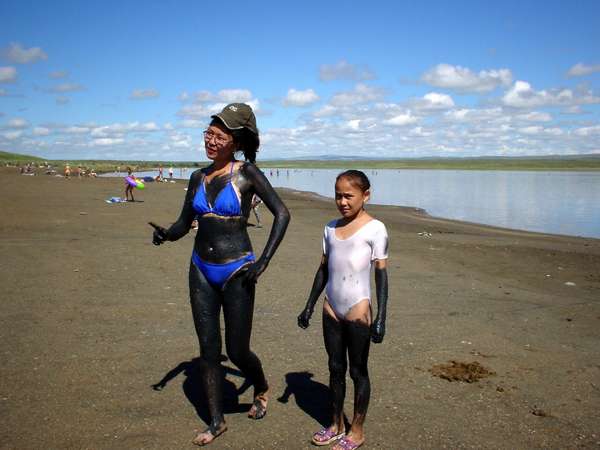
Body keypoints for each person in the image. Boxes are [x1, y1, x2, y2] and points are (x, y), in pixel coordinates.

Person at [150, 103, 290, 446]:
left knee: (238, 350)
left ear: (235, 141)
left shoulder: (248, 174)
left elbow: (282, 214)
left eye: (218, 136)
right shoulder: (197, 177)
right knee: (208, 348)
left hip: (238, 269)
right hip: (200, 268)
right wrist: (167, 234)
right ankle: (216, 421)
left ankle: (260, 385)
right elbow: (185, 223)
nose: (211, 141)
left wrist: (264, 261)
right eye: (208, 134)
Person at [297, 170, 389, 450]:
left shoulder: (376, 229)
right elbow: (323, 269)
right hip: (331, 307)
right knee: (335, 368)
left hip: (357, 309)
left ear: (366, 195)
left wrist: (381, 317)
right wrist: (309, 305)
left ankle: (357, 431)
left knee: (358, 370)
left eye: (349, 196)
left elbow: (381, 276)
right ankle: (336, 424)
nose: (342, 202)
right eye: (338, 195)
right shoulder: (329, 228)